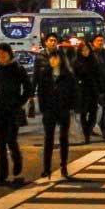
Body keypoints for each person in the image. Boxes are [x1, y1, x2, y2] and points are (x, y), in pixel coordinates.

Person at [0, 43, 32, 186]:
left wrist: (20, 101)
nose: (1, 56)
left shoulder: (18, 69)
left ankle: (18, 172)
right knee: (0, 143)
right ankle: (2, 175)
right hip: (0, 109)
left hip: (13, 109)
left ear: (9, 53)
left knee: (11, 141)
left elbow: (27, 88)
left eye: (3, 53)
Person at [35, 45, 76, 179]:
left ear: (61, 59)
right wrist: (43, 108)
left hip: (63, 110)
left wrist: (71, 107)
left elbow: (73, 93)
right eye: (51, 58)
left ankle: (63, 165)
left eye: (55, 58)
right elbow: (41, 92)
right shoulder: (45, 74)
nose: (53, 60)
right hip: (49, 110)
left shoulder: (68, 75)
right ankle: (46, 168)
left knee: (63, 138)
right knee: (48, 139)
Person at [72, 39, 104, 144]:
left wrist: (100, 89)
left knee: (93, 113)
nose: (85, 52)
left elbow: (99, 76)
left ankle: (88, 130)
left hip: (93, 91)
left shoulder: (94, 61)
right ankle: (86, 134)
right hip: (82, 92)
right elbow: (74, 77)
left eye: (87, 50)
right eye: (83, 50)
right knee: (83, 114)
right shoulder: (76, 62)